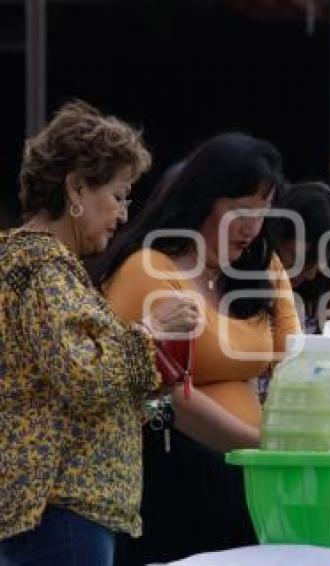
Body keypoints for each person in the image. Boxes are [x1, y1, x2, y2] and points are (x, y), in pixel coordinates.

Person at [0, 100, 199, 565]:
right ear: (76, 188)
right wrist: (150, 333)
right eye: (118, 195)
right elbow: (84, 377)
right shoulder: (44, 268)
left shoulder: (34, 267)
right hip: (63, 513)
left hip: (51, 511)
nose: (124, 214)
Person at [95, 132, 301, 565]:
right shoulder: (147, 269)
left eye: (262, 213)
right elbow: (160, 392)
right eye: (240, 210)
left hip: (253, 484)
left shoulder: (262, 268)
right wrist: (263, 447)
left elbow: (296, 362)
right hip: (173, 479)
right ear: (205, 198)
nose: (252, 227)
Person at [273, 181, 330, 334]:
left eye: (320, 263)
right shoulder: (253, 274)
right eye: (298, 258)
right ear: (277, 235)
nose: (310, 274)